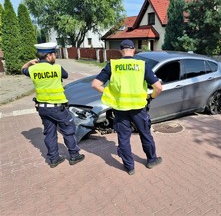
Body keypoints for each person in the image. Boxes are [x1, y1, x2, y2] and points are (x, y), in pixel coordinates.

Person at [92, 39, 163, 175]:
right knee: (145, 134)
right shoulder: (142, 65)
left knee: (124, 138)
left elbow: (95, 84)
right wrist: (150, 97)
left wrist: (110, 93)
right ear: (133, 50)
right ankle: (151, 160)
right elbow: (158, 87)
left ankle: (129, 167)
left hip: (120, 109)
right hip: (139, 108)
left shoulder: (113, 65)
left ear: (120, 51)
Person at [21, 42, 85, 168]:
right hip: (57, 108)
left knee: (50, 133)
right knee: (68, 130)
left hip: (42, 108)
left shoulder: (32, 69)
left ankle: (54, 159)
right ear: (49, 56)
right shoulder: (57, 68)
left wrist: (30, 62)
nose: (55, 56)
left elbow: (23, 69)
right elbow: (65, 75)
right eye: (54, 54)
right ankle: (74, 155)